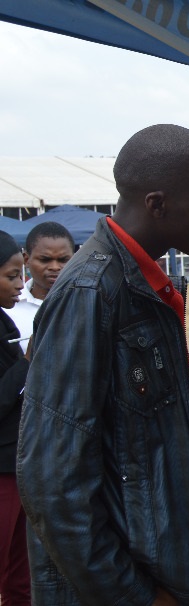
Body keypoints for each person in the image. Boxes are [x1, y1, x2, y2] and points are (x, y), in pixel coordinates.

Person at [16, 124, 189, 605]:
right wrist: (134, 595)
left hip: (165, 567)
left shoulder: (138, 282)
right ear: (157, 204)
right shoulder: (91, 292)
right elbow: (53, 483)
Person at [0, 231, 29, 605]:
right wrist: (27, 363)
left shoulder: (5, 323)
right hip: (3, 470)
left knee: (20, 577)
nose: (20, 284)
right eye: (11, 276)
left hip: (16, 463)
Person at [6, 221, 75, 354]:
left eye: (63, 260)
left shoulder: (90, 304)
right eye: (45, 260)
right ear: (26, 259)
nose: (55, 267)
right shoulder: (8, 308)